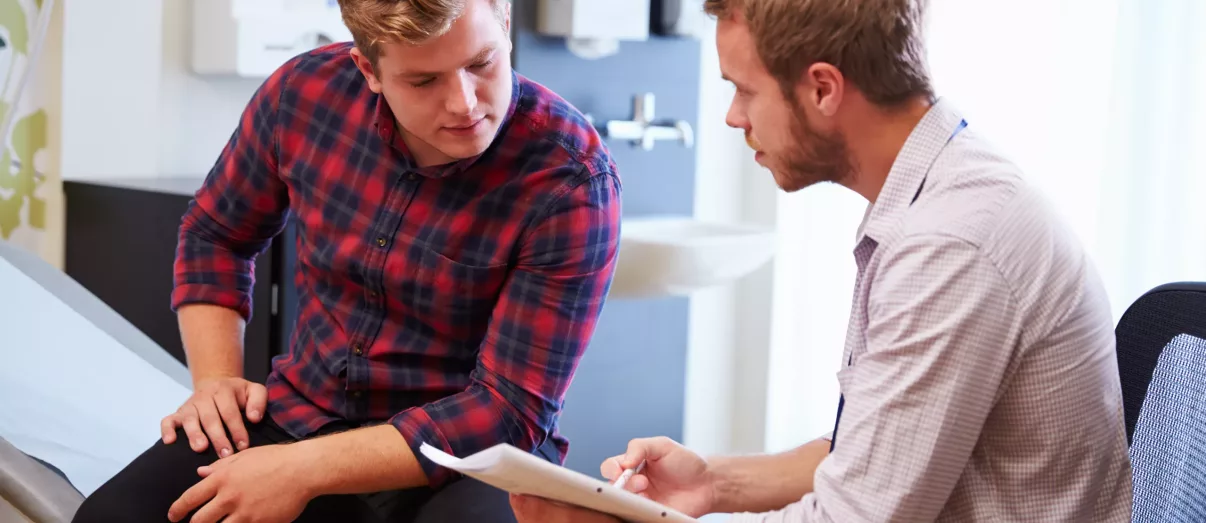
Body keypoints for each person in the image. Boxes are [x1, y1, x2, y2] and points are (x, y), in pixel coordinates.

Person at [511, 0, 1135, 522]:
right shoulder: (942, 190)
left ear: (822, 88)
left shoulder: (951, 245)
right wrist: (710, 485)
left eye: (744, 90)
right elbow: (874, 455)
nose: (733, 117)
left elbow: (853, 515)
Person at [71, 0, 621, 521]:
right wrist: (215, 382)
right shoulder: (303, 94)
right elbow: (216, 233)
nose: (465, 102)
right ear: (368, 69)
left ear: (504, 21)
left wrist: (301, 471)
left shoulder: (571, 178)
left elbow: (506, 411)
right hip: (303, 413)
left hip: (472, 459)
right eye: (423, 80)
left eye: (482, 63)